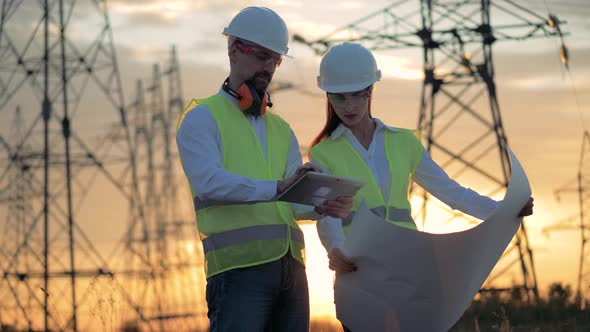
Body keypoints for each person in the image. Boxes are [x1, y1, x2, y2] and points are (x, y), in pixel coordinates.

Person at [308, 42, 534, 330]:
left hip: (408, 266)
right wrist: (335, 249)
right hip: (357, 270)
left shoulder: (404, 143)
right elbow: (327, 212)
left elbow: (451, 192)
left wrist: (503, 209)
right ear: (328, 96)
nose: (349, 106)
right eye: (339, 98)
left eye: (356, 95)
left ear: (370, 91)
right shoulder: (323, 153)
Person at [175, 7, 352, 332]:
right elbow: (210, 184)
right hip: (238, 271)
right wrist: (279, 188)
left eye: (275, 60)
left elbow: (290, 202)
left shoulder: (281, 128)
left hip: (292, 271)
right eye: (261, 56)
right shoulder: (202, 118)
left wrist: (320, 205)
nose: (268, 67)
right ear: (233, 50)